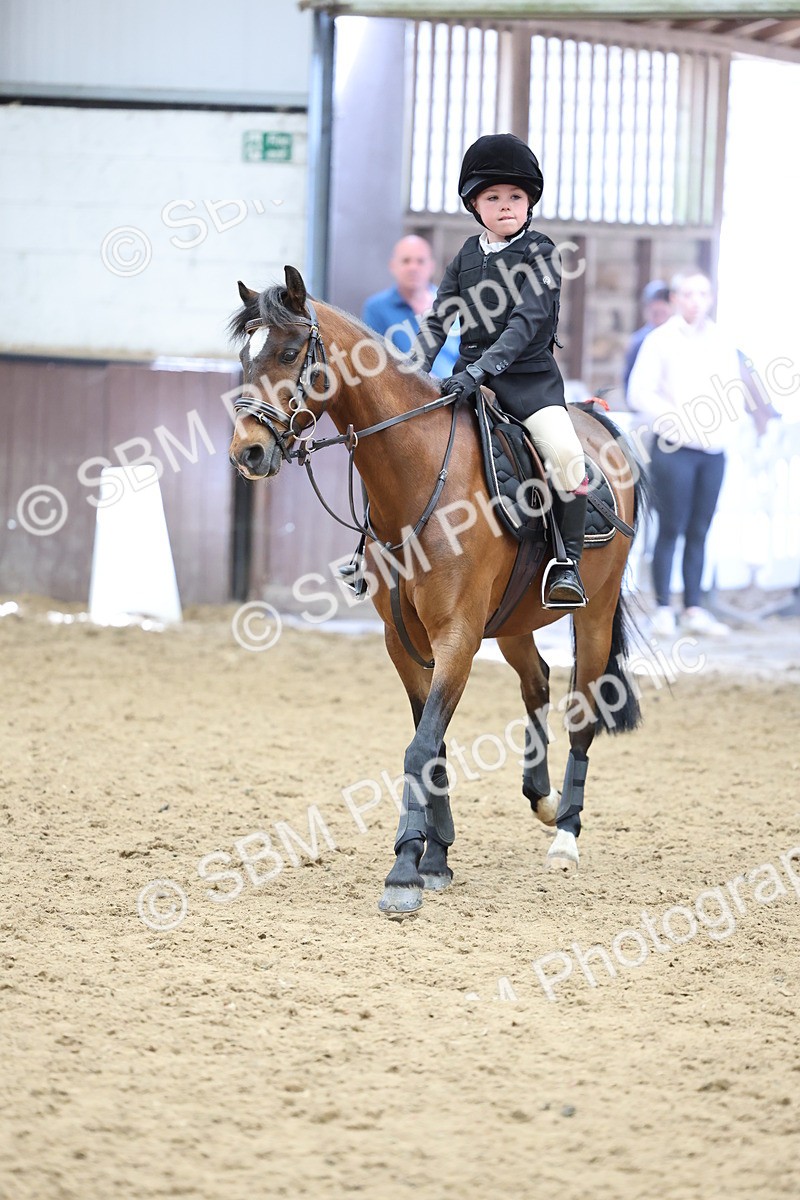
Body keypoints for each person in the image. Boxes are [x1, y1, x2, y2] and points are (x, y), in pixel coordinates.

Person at [411, 133, 588, 608]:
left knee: (567, 455)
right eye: (493, 197)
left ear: (529, 203)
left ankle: (566, 565)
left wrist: (480, 370)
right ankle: (377, 549)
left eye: (516, 197)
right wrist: (413, 374)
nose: (506, 205)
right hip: (467, 380)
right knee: (404, 445)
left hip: (528, 382)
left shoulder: (542, 253)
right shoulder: (465, 256)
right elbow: (437, 320)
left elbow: (526, 324)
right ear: (475, 205)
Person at [627, 271, 745, 637]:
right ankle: (663, 607)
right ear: (676, 299)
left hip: (713, 449)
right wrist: (676, 420)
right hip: (673, 447)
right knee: (670, 528)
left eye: (702, 293)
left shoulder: (722, 340)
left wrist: (726, 427)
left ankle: (694, 607)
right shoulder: (659, 340)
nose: (695, 300)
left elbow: (733, 388)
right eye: (688, 294)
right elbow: (639, 392)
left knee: (700, 529)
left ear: (710, 298)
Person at [362, 236, 458, 379]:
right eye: (406, 261)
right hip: (404, 396)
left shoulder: (452, 304)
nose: (413, 268)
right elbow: (372, 361)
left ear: (431, 266)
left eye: (420, 261)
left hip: (453, 394)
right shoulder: (376, 309)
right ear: (392, 266)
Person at [622, 279, 672, 401]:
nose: (659, 311)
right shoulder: (638, 341)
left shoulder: (677, 339)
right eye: (655, 312)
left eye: (663, 310)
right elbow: (628, 380)